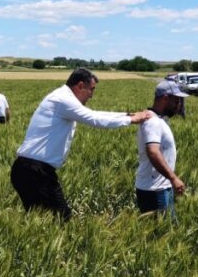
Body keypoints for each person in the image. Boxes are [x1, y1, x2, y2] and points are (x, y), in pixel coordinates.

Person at [11, 68, 153, 220]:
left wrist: (128, 115)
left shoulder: (62, 97)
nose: (92, 95)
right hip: (35, 172)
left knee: (43, 221)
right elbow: (94, 118)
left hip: (30, 170)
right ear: (80, 86)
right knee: (62, 219)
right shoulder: (63, 99)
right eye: (91, 89)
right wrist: (131, 119)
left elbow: (96, 114)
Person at [135, 81, 189, 218]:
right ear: (165, 98)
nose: (179, 105)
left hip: (160, 187)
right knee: (162, 229)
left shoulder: (158, 120)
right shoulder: (152, 122)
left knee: (166, 228)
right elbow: (153, 151)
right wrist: (173, 178)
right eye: (176, 100)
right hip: (155, 190)